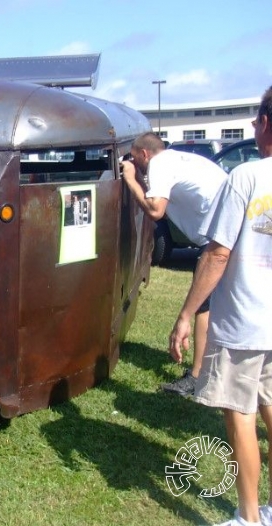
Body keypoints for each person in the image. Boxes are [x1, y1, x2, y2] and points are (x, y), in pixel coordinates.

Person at [169, 85, 272, 526]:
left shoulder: (246, 176)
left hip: (245, 319)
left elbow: (216, 253)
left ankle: (249, 517)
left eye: (255, 119)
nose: (252, 127)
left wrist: (187, 314)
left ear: (266, 123)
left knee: (242, 416)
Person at [121, 131, 227, 396]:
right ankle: (212, 370)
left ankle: (197, 377)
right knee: (215, 305)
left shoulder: (158, 164)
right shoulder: (179, 159)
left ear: (144, 154)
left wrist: (130, 178)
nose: (135, 164)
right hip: (227, 232)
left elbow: (155, 209)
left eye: (135, 159)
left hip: (218, 240)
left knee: (202, 304)